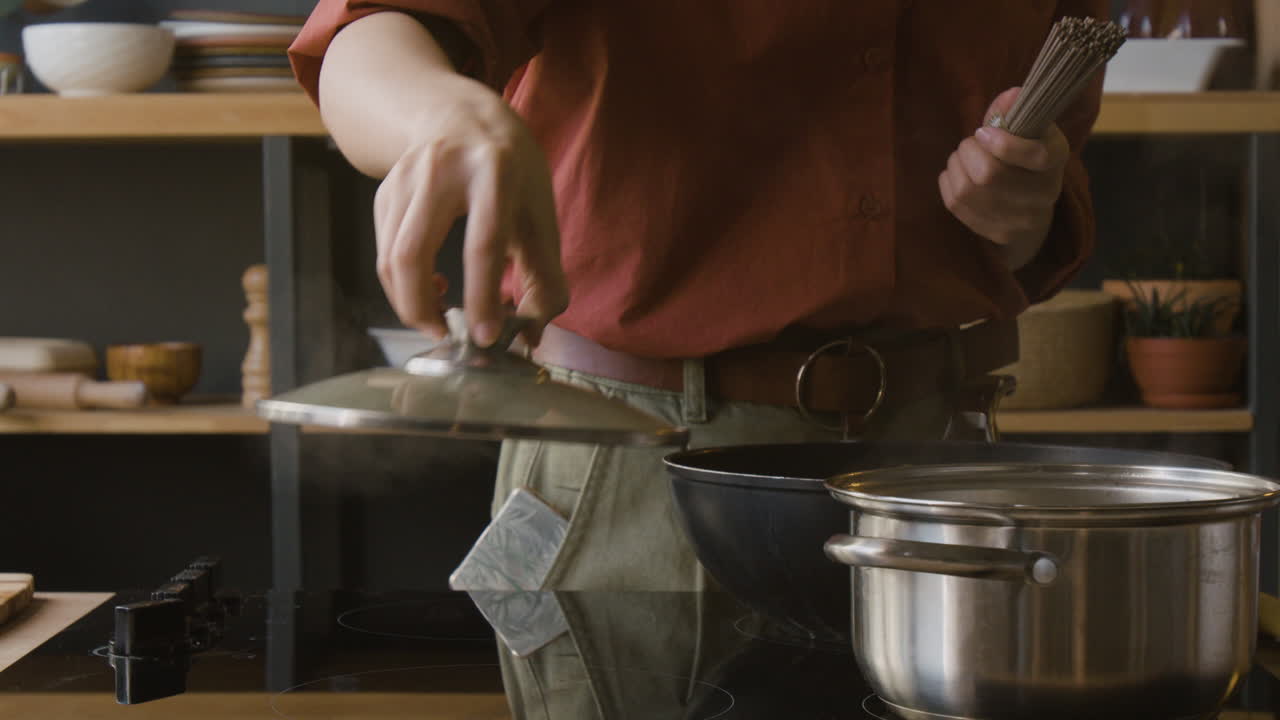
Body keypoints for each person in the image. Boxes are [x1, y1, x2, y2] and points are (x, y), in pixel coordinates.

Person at [290, 1, 1108, 592]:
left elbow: (1037, 192)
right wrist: (443, 113)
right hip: (638, 462)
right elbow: (370, 34)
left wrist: (1021, 213)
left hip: (943, 464)